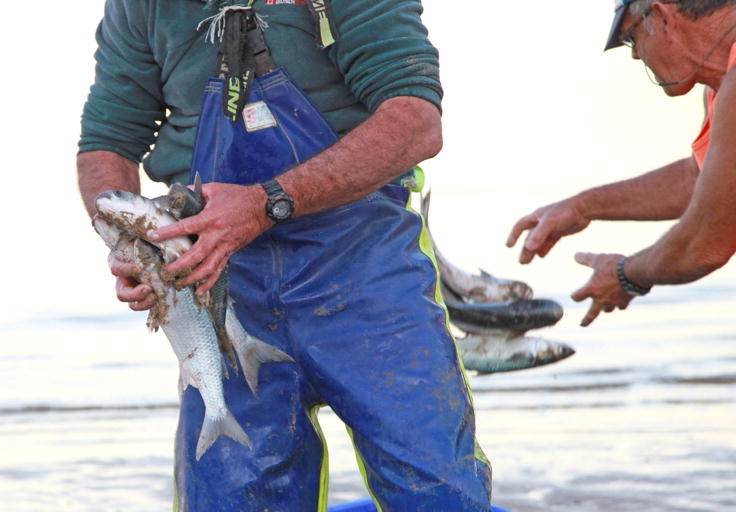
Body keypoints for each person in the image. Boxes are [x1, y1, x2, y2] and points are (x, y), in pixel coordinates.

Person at [77, 1, 492, 510]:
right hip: (221, 285)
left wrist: (264, 203)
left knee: (437, 491)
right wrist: (128, 246)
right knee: (231, 496)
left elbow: (414, 122)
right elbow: (107, 144)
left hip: (365, 271)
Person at [507, 0, 736, 327]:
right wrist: (583, 207)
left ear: (662, 17)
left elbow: (704, 244)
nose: (636, 56)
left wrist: (625, 275)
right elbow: (701, 178)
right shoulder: (721, 87)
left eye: (631, 38)